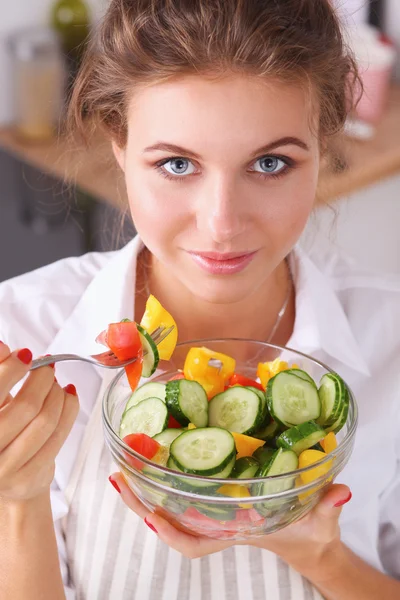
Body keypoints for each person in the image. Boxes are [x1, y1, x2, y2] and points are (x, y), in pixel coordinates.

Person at [1, 0, 399, 598]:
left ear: (323, 148)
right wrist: (17, 502)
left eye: (270, 163)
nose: (222, 224)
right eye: (177, 163)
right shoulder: (24, 326)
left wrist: (322, 555)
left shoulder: (390, 334)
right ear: (119, 143)